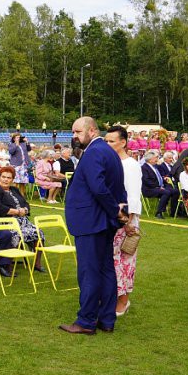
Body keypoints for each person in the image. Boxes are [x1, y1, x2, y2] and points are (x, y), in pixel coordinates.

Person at [59, 117, 127, 336]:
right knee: (106, 270)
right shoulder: (109, 152)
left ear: (92, 130)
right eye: (73, 132)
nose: (75, 136)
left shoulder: (95, 152)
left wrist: (114, 211)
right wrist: (116, 212)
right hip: (102, 222)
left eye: (78, 132)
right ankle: (106, 319)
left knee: (89, 272)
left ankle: (87, 320)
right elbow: (115, 187)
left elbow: (99, 188)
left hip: (92, 222)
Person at [104, 127, 142, 317]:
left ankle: (123, 300)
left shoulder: (131, 165)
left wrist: (129, 221)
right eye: (106, 141)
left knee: (124, 260)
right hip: (110, 218)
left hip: (126, 219)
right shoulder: (109, 162)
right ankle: (113, 296)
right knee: (112, 260)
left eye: (112, 141)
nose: (108, 145)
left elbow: (134, 195)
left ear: (123, 142)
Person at [0, 166, 45, 268]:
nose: (6, 179)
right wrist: (18, 211)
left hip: (23, 221)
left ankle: (37, 264)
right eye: (3, 177)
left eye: (9, 178)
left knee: (39, 232)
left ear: (12, 180)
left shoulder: (15, 189)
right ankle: (7, 263)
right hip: (6, 222)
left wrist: (25, 210)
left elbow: (26, 203)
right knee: (15, 234)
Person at [141, 150, 176, 219]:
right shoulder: (144, 168)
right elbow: (146, 181)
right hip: (149, 189)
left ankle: (173, 212)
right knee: (166, 192)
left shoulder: (154, 167)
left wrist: (163, 179)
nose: (157, 159)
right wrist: (158, 187)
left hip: (157, 187)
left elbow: (157, 178)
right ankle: (159, 212)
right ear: (150, 159)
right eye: (156, 158)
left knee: (175, 191)